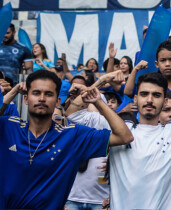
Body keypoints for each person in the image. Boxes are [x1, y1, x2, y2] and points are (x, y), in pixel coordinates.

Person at [68, 72, 171, 210]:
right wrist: (102, 80)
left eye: (156, 95)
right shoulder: (119, 128)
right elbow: (72, 115)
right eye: (144, 94)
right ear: (136, 99)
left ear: (164, 102)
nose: (149, 100)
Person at [0, 70, 132, 209]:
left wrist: (97, 100)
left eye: (49, 94)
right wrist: (10, 95)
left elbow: (124, 136)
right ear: (26, 99)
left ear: (58, 101)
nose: (42, 98)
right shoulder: (9, 127)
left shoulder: (72, 136)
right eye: (36, 93)